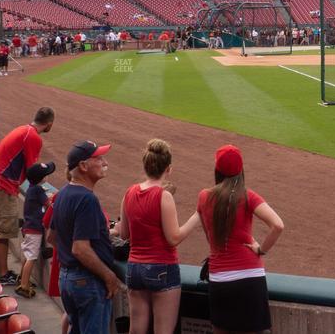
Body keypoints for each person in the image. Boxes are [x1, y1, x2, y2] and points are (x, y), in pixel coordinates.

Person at [197, 145, 285, 334]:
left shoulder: (204, 197)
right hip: (251, 278)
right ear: (240, 170)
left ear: (217, 169)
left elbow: (210, 238)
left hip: (220, 279)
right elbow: (278, 225)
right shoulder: (247, 195)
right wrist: (260, 249)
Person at [118, 140, 200, 334]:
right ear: (168, 169)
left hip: (134, 268)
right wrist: (197, 216)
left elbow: (124, 234)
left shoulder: (129, 192)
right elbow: (173, 238)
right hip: (162, 267)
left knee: (136, 329)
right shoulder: (163, 196)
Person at [53, 141, 121, 334]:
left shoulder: (63, 193)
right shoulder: (86, 199)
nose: (104, 162)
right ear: (83, 166)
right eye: (98, 158)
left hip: (67, 279)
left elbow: (52, 236)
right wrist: (109, 276)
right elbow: (80, 248)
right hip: (87, 282)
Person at [0, 107, 54, 285]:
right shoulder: (33, 137)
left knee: (1, 229)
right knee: (4, 233)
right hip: (2, 184)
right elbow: (33, 172)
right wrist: (43, 193)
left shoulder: (24, 129)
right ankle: (3, 274)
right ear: (49, 124)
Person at [16, 162, 55, 299]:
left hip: (29, 227)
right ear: (42, 178)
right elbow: (49, 204)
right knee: (31, 257)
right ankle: (24, 286)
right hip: (34, 229)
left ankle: (22, 280)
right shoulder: (38, 190)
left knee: (28, 256)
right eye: (46, 175)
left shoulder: (32, 188)